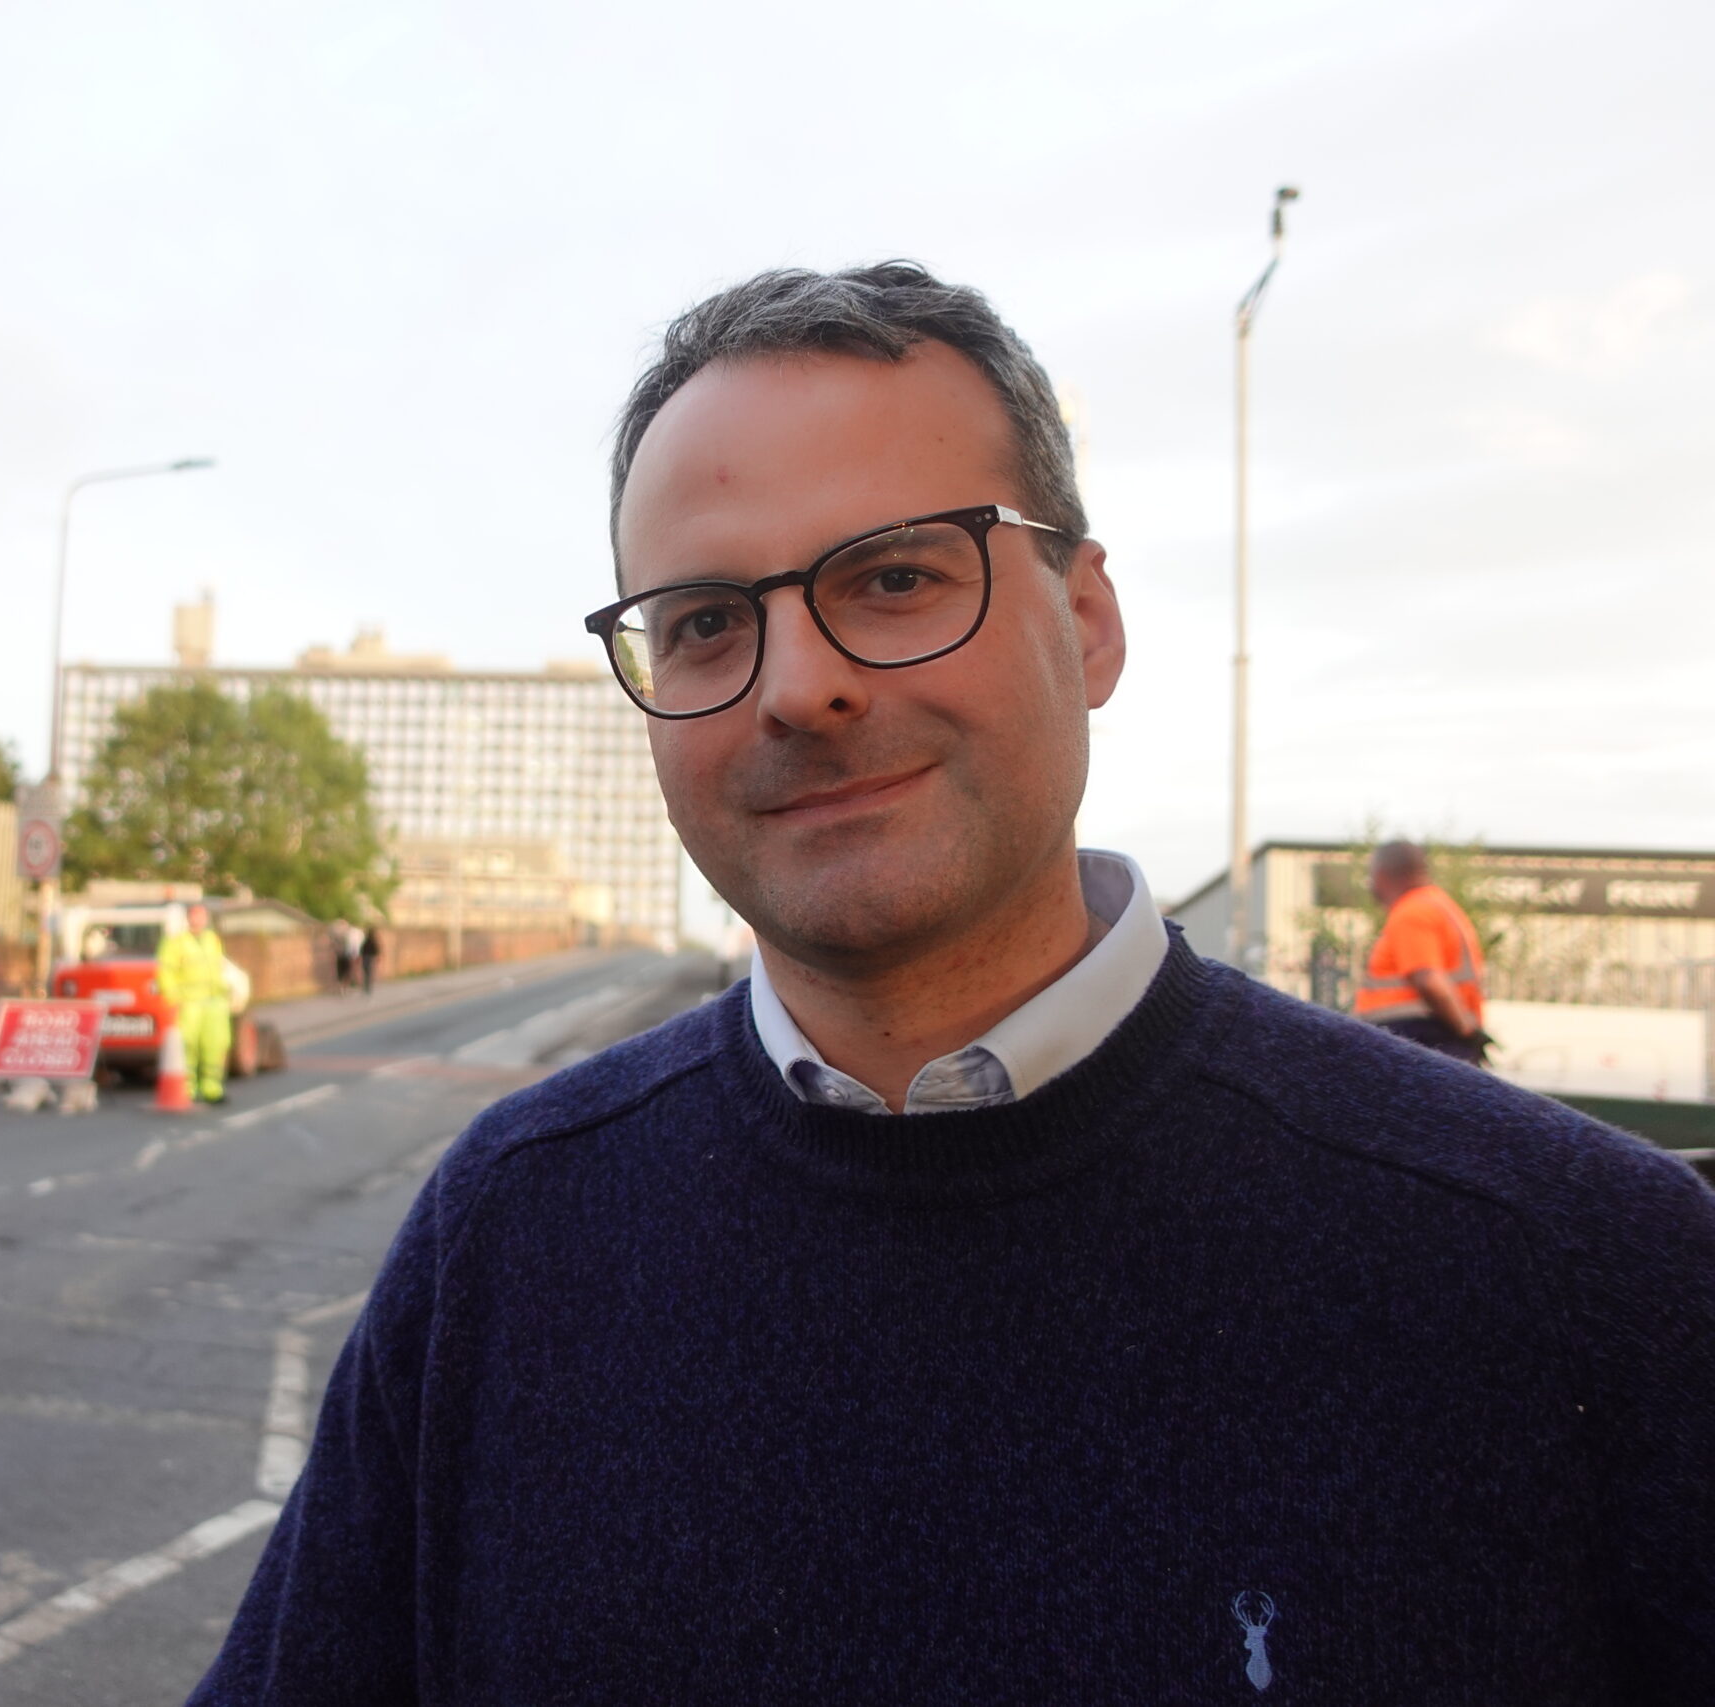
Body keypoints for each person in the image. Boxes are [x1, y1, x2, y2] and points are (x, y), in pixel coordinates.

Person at [189, 266, 1715, 1702]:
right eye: (708, 621)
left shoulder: (1584, 1269)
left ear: (1091, 619)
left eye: (900, 575)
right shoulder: (506, 1235)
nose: (799, 685)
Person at [1356, 838, 1491, 1063]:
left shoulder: (1413, 912)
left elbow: (1428, 979)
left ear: (1379, 875)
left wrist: (1466, 1031)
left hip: (1415, 1039)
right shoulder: (1440, 906)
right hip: (1432, 1041)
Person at [156, 901, 233, 1105]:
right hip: (188, 1003)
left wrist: (225, 993)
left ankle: (212, 1088)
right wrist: (172, 999)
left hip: (213, 1001)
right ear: (188, 918)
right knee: (187, 1046)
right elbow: (166, 972)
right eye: (194, 915)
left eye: (201, 915)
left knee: (215, 1045)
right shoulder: (176, 942)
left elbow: (219, 967)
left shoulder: (212, 939)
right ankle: (187, 1089)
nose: (198, 919)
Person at [355, 923, 381, 996]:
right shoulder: (373, 941)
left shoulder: (366, 941)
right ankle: (368, 987)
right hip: (370, 958)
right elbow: (376, 951)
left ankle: (366, 987)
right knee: (369, 973)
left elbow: (362, 950)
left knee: (366, 973)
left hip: (366, 958)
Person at [332, 920, 357, 995]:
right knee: (346, 973)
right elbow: (350, 947)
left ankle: (343, 988)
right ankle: (344, 988)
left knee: (342, 973)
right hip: (344, 957)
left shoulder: (338, 937)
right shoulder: (345, 937)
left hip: (341, 957)